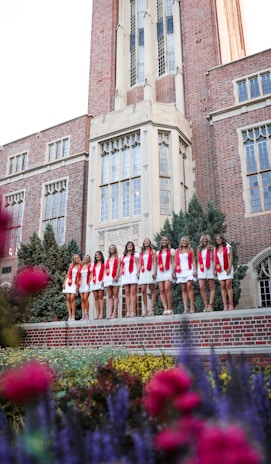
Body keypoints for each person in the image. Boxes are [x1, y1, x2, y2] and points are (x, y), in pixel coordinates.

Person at [174, 236, 197, 314]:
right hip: (180, 270)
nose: (184, 241)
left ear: (188, 242)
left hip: (189, 269)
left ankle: (192, 305)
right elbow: (175, 262)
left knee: (189, 285)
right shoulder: (177, 250)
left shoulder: (190, 250)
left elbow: (193, 260)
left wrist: (195, 270)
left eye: (186, 240)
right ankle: (185, 307)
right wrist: (173, 271)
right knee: (183, 288)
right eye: (183, 240)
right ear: (181, 241)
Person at [137, 238, 157, 316]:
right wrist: (137, 272)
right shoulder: (141, 253)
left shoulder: (153, 251)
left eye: (147, 241)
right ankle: (145, 308)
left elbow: (155, 261)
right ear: (143, 243)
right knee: (143, 290)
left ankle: (151, 308)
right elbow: (139, 263)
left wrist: (154, 272)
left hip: (150, 270)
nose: (146, 242)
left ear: (150, 243)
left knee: (152, 289)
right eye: (145, 241)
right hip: (143, 271)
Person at [214, 234, 234, 311]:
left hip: (227, 267)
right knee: (222, 285)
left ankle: (231, 304)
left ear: (222, 239)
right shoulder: (215, 249)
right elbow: (215, 260)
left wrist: (229, 267)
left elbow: (231, 257)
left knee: (228, 284)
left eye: (219, 238)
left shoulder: (227, 246)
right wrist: (215, 269)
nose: (218, 240)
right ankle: (225, 305)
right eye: (217, 239)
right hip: (220, 269)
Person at [156, 236, 175, 315]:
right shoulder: (158, 252)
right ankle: (165, 308)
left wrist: (173, 271)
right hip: (160, 271)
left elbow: (173, 262)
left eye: (166, 240)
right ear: (161, 241)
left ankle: (170, 308)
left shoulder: (171, 251)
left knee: (167, 289)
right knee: (161, 290)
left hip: (168, 270)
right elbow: (156, 263)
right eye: (163, 240)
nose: (164, 241)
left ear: (168, 242)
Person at [197, 234, 215, 312]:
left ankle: (210, 305)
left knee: (211, 287)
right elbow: (197, 260)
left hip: (210, 267)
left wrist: (215, 269)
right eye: (203, 239)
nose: (204, 240)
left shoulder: (211, 248)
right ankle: (206, 304)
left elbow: (214, 259)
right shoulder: (199, 249)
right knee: (201, 287)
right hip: (201, 268)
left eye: (206, 239)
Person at [121, 241, 139, 317]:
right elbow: (121, 266)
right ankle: (128, 311)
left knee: (133, 292)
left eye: (131, 245)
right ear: (126, 246)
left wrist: (138, 272)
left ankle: (133, 311)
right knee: (127, 292)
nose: (130, 246)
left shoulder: (135, 254)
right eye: (128, 245)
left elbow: (138, 264)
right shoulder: (123, 256)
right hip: (126, 274)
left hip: (133, 272)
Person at [103, 244, 121, 319]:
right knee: (110, 295)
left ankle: (115, 312)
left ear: (115, 249)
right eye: (110, 248)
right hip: (108, 277)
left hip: (115, 277)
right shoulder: (107, 259)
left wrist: (117, 276)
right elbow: (104, 269)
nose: (112, 249)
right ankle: (110, 312)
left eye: (113, 248)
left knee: (116, 294)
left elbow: (119, 267)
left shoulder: (118, 258)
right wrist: (103, 279)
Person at [62, 254, 81, 321]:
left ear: (79, 258)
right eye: (75, 258)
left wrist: (77, 286)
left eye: (77, 258)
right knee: (68, 298)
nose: (76, 259)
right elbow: (67, 274)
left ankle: (73, 315)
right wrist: (64, 283)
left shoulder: (80, 266)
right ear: (73, 259)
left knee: (72, 298)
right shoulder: (71, 265)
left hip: (74, 283)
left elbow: (79, 277)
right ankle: (69, 315)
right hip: (68, 282)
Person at [90, 251, 105, 319]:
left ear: (101, 256)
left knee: (100, 297)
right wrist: (89, 281)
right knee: (96, 297)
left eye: (98, 255)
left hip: (101, 280)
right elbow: (91, 273)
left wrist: (103, 280)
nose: (97, 256)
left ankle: (101, 313)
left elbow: (105, 272)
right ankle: (97, 313)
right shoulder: (93, 264)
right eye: (96, 255)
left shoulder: (104, 263)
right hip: (94, 281)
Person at [77, 254, 92, 320]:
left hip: (87, 283)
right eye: (85, 258)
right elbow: (78, 276)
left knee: (85, 298)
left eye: (87, 258)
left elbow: (92, 274)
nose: (86, 259)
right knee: (82, 299)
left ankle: (87, 314)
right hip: (81, 284)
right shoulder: (81, 266)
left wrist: (90, 282)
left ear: (89, 259)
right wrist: (77, 285)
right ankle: (83, 315)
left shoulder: (90, 266)